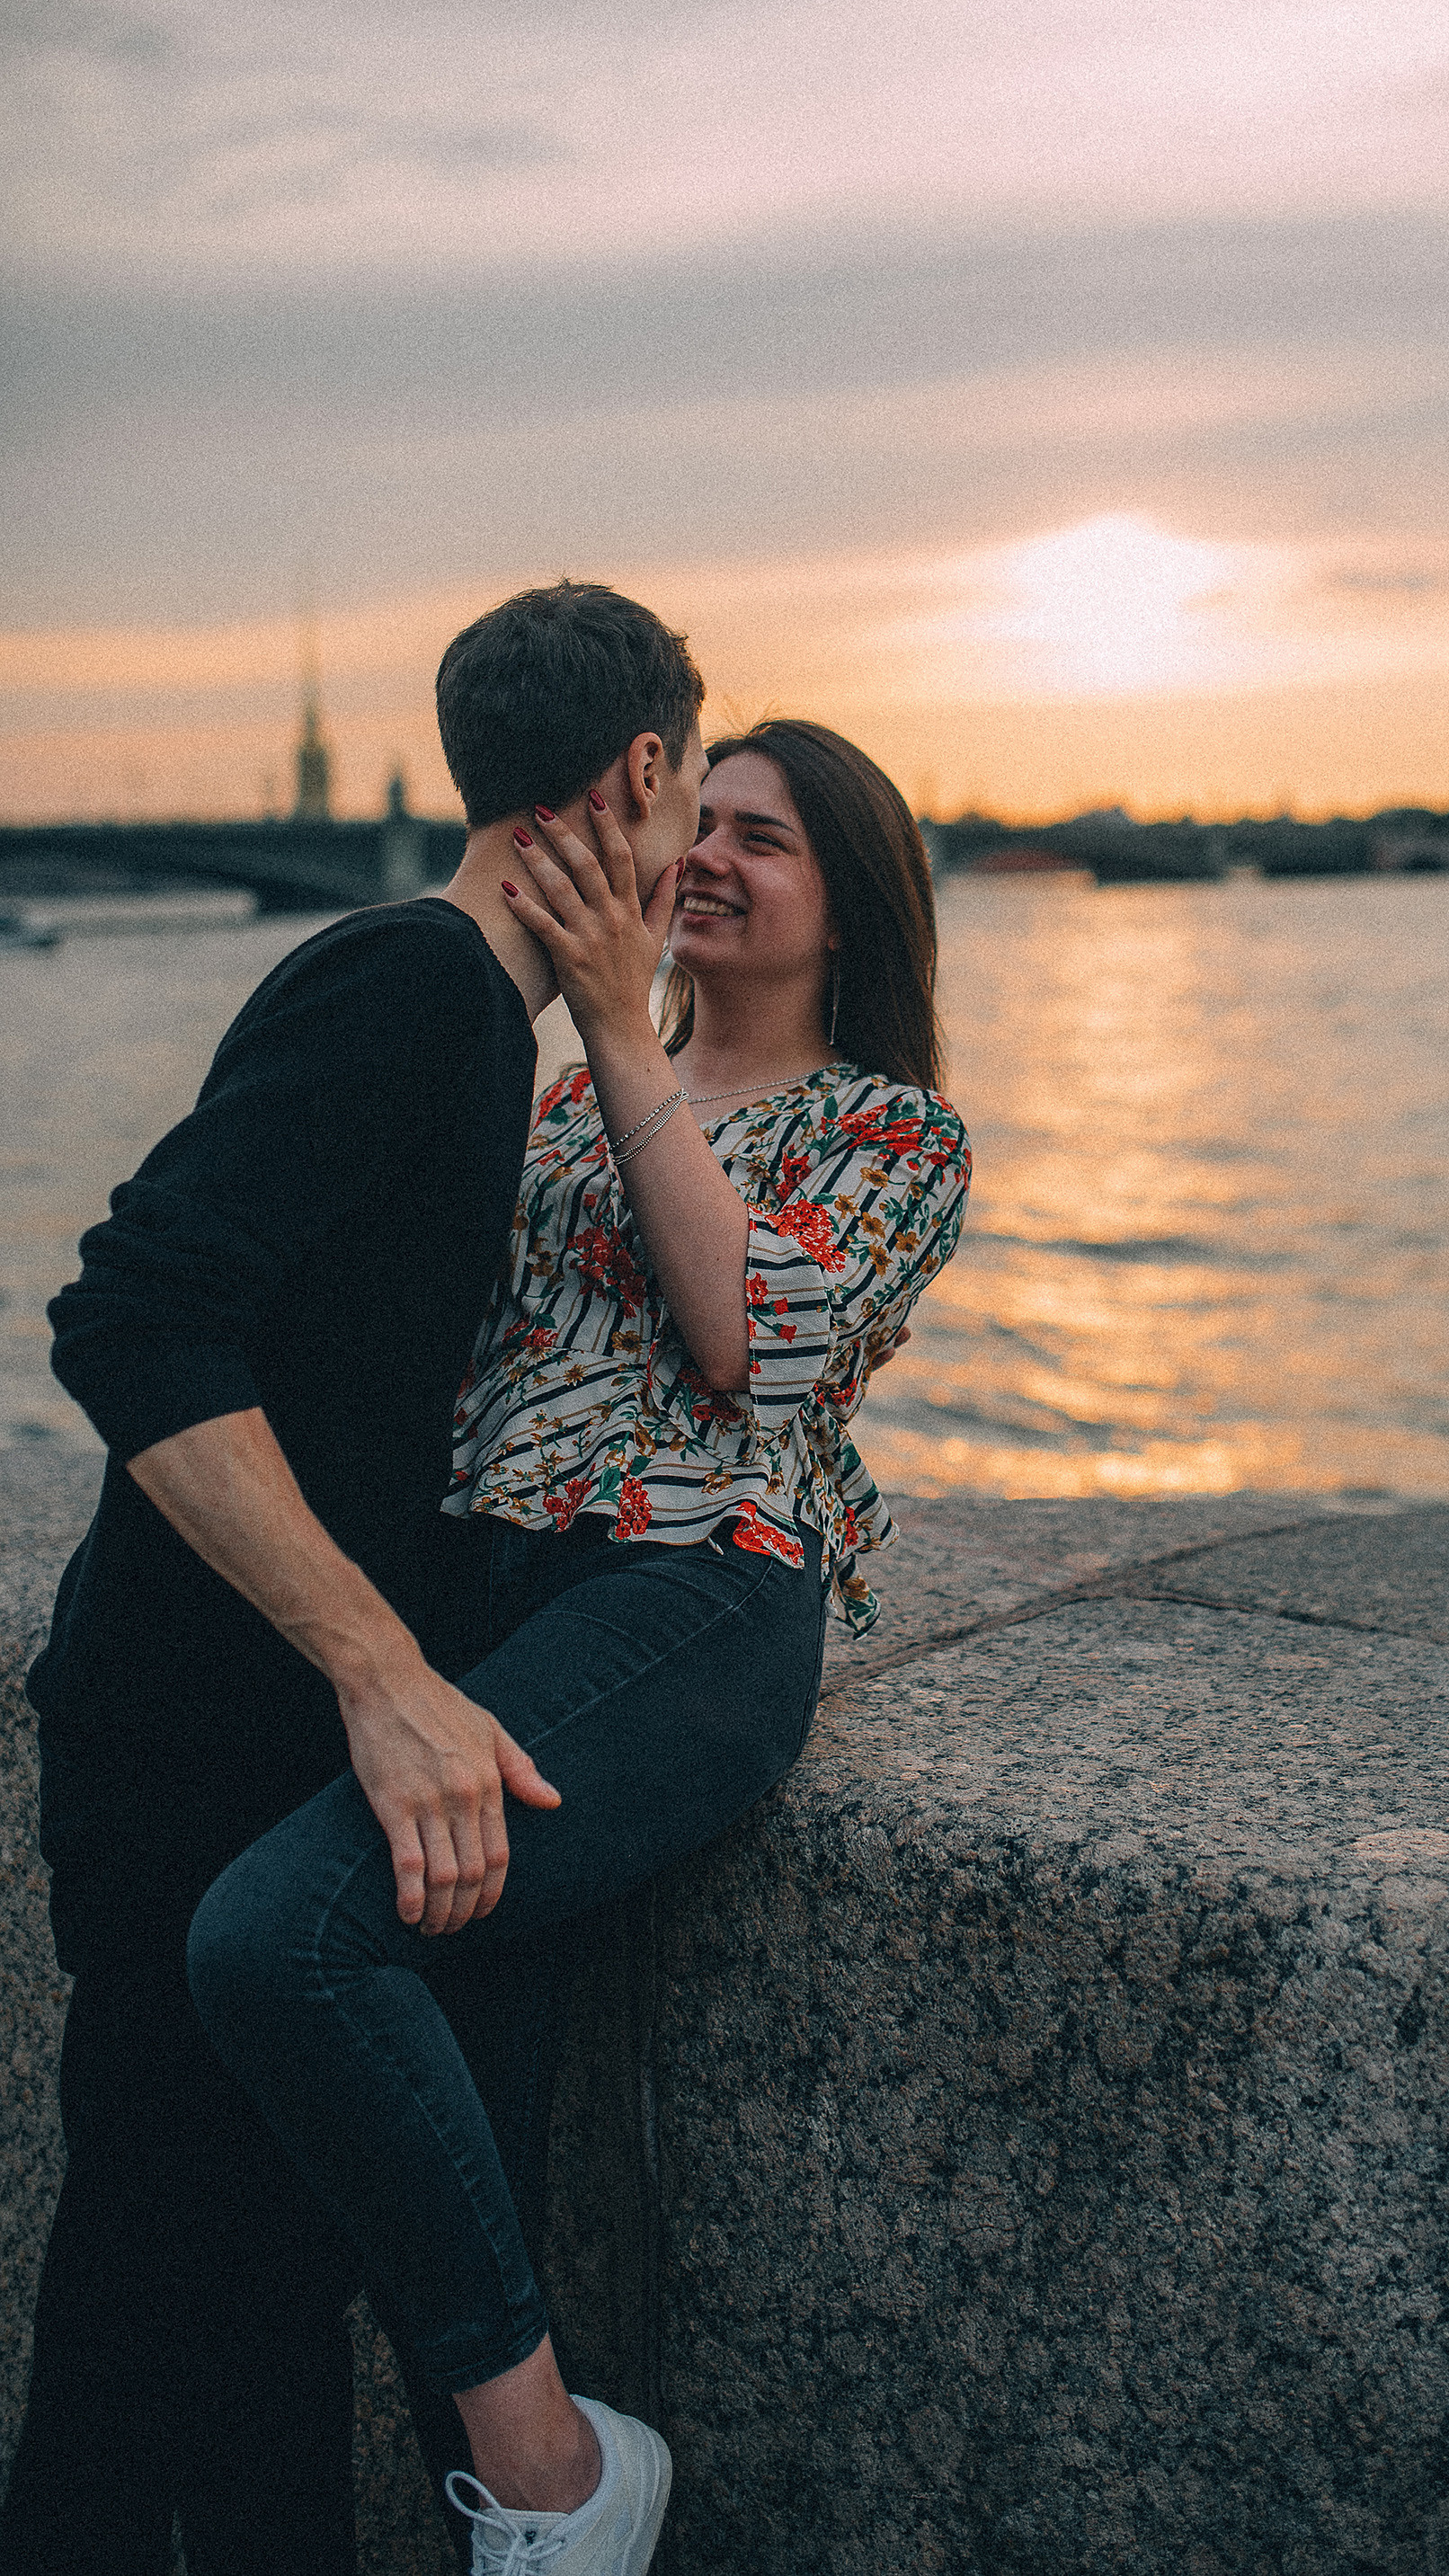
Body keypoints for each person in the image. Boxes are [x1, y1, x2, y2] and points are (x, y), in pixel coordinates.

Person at [182, 722, 971, 2575]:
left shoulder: (889, 1131)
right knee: (464, 2077)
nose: (709, 859)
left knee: (285, 1931)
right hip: (484, 1595)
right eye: (704, 823)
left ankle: (555, 2478)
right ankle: (507, 2514)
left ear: (851, 905)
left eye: (764, 840)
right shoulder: (549, 1108)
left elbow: (748, 1340)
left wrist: (619, 1021)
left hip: (693, 1589)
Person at [3, 582, 709, 2576]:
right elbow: (136, 1315)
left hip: (242, 1745)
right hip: (184, 1750)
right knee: (142, 2324)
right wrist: (384, 1670)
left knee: (238, 2314)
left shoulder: (475, 1014)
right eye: (691, 784)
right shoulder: (409, 984)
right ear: (639, 770)